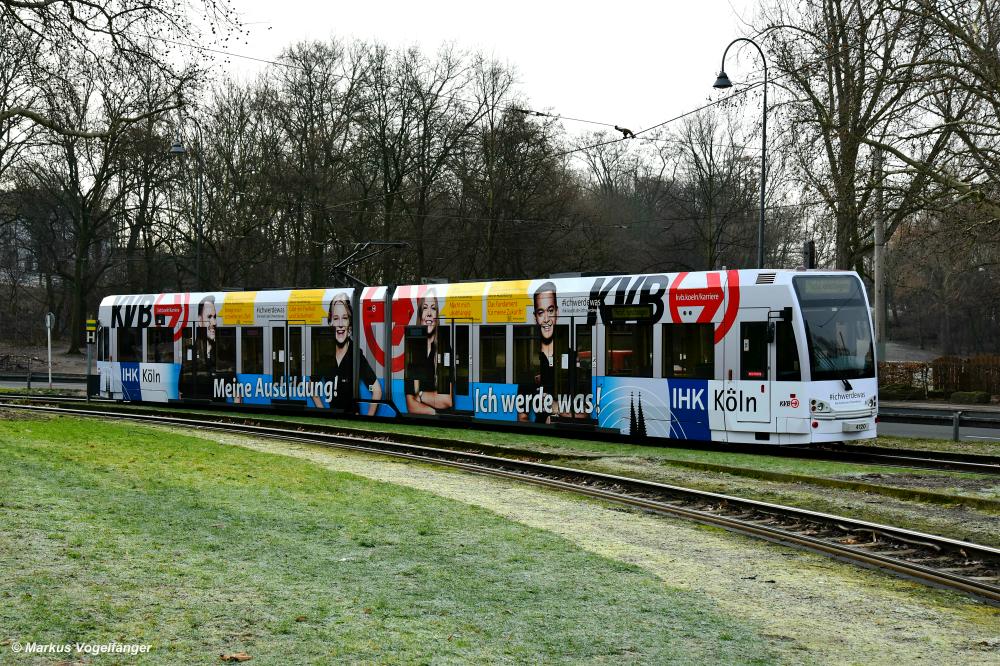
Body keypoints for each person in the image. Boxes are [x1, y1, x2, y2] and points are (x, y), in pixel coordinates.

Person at [313, 293, 382, 415]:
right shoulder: (325, 356)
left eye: (345, 318)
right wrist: (323, 412)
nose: (340, 324)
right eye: (335, 318)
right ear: (330, 323)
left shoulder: (356, 355)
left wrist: (367, 419)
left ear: (350, 324)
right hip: (334, 418)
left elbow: (377, 391)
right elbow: (311, 387)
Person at [405, 288, 453, 414]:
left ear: (437, 315)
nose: (429, 313)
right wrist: (435, 412)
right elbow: (411, 405)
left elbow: (447, 400)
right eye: (425, 308)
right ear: (420, 315)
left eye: (433, 308)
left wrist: (420, 395)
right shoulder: (413, 351)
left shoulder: (444, 348)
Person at [519, 282, 560, 423]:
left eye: (550, 310)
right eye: (541, 312)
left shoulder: (565, 353)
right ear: (535, 317)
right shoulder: (533, 356)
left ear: (557, 312)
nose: (546, 319)